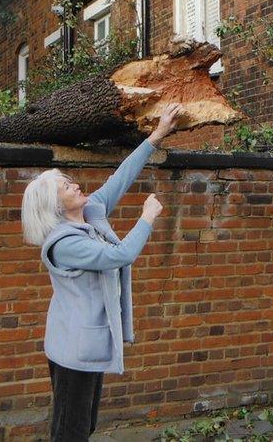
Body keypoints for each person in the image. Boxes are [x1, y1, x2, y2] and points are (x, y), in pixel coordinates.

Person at [21, 103, 183, 441]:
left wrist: (157, 135)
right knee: (71, 431)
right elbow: (119, 255)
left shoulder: (91, 211)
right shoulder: (64, 243)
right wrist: (147, 218)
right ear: (55, 205)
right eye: (66, 187)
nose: (75, 185)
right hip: (73, 350)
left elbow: (121, 176)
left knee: (85, 426)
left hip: (90, 342)